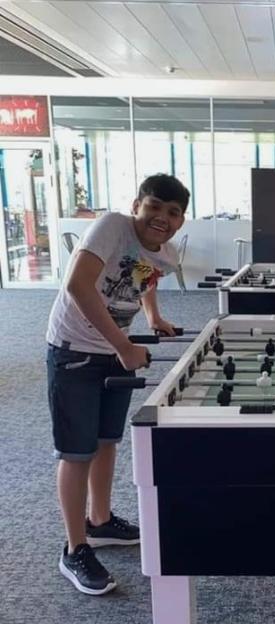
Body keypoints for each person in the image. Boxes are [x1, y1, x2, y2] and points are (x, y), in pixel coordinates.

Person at [46, 173, 189, 596]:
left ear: (181, 221)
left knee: (107, 441)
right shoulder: (111, 226)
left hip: (115, 349)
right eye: (154, 206)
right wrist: (124, 346)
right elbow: (77, 284)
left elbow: (142, 275)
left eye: (172, 212)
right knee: (77, 452)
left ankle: (101, 520)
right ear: (136, 205)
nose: (162, 218)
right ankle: (75, 548)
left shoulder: (166, 252)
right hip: (74, 350)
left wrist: (153, 317)